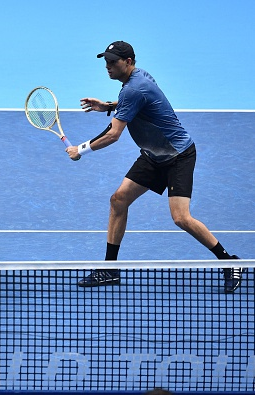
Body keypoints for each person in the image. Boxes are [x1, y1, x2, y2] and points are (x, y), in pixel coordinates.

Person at [66, 41, 244, 293]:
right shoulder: (136, 80)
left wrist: (80, 150)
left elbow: (113, 134)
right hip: (153, 155)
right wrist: (109, 106)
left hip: (178, 156)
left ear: (128, 62)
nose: (107, 66)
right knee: (118, 200)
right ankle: (109, 269)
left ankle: (229, 261)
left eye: (112, 61)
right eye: (105, 60)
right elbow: (139, 103)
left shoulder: (132, 89)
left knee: (181, 217)